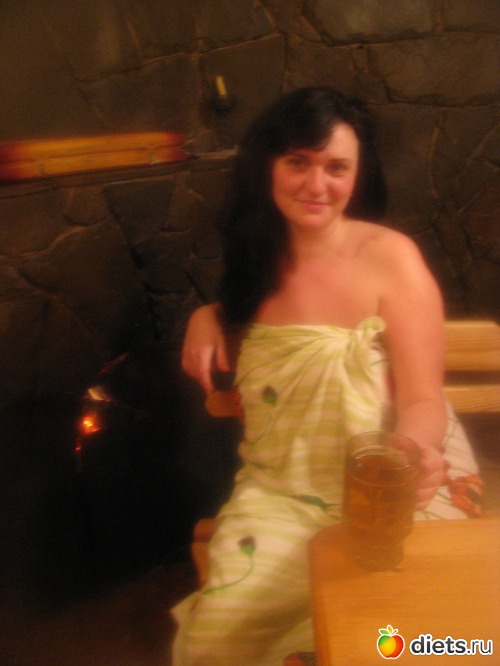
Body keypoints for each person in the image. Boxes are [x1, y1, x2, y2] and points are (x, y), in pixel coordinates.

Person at [171, 87, 482, 665]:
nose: (317, 185)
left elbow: (422, 398)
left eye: (336, 167)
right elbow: (252, 327)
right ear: (268, 166)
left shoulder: (391, 259)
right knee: (223, 638)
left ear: (358, 175)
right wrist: (205, 314)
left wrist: (410, 455)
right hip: (283, 490)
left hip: (393, 480)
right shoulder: (253, 263)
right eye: (298, 162)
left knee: (409, 631)